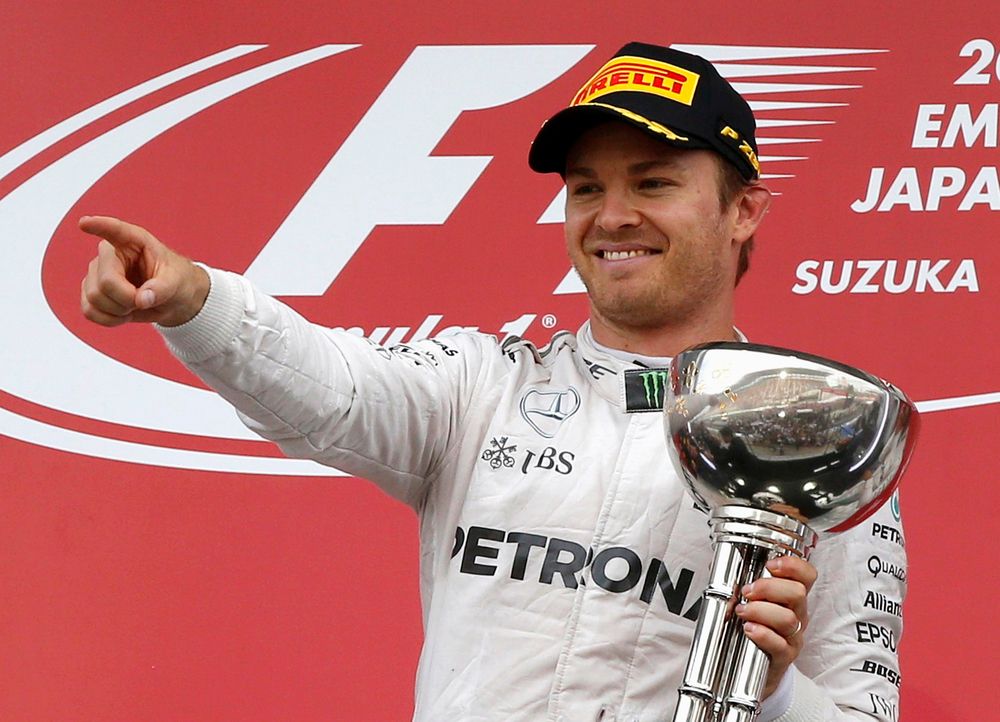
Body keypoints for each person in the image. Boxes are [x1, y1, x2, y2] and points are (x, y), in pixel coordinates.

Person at [80, 42, 906, 722]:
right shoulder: (481, 386)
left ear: (744, 210)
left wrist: (776, 693)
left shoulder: (817, 440)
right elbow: (331, 390)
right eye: (586, 188)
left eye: (653, 182)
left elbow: (864, 711)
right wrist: (196, 301)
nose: (612, 215)